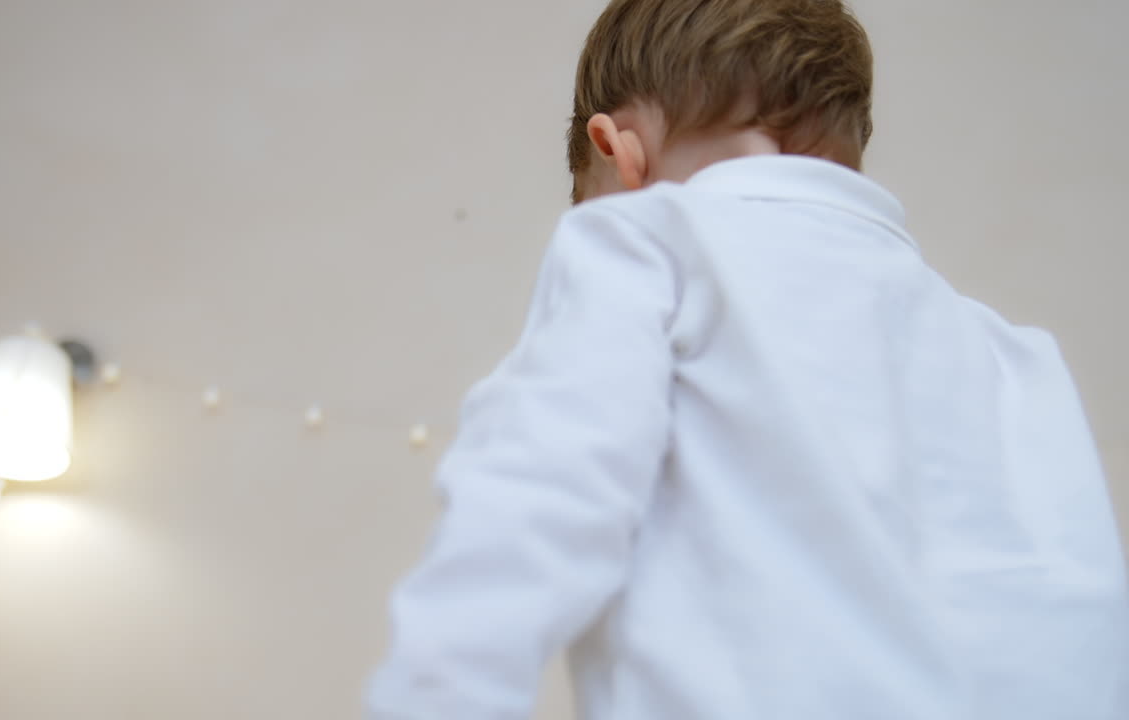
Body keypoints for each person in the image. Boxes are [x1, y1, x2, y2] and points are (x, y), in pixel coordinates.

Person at [364, 1, 1129, 718]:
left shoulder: (644, 242)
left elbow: (524, 513)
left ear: (618, 151)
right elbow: (1078, 621)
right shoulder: (1013, 358)